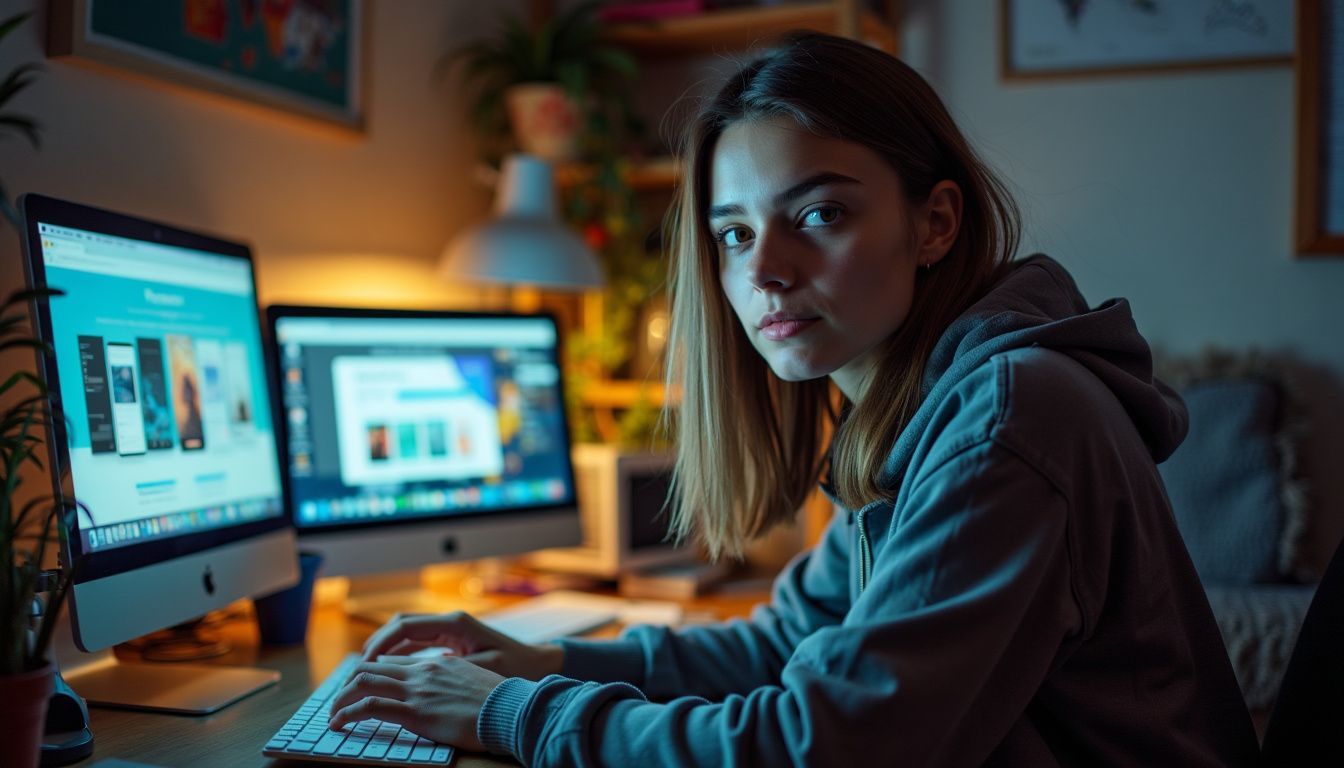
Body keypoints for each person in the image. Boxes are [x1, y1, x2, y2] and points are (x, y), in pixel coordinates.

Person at [328, 32, 1259, 766]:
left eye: (820, 214)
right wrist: (544, 661)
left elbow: (827, 747)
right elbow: (783, 646)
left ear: (934, 222)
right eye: (734, 233)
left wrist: (512, 713)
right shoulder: (907, 411)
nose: (765, 271)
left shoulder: (1006, 421)